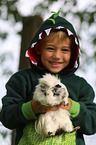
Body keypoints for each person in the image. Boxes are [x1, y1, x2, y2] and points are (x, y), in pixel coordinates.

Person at [0, 9, 96, 145]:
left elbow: (92, 124)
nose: (57, 56)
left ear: (74, 52)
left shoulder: (81, 86)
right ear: (38, 49)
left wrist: (71, 106)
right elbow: (6, 117)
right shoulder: (22, 80)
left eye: (64, 50)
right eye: (50, 48)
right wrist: (32, 108)